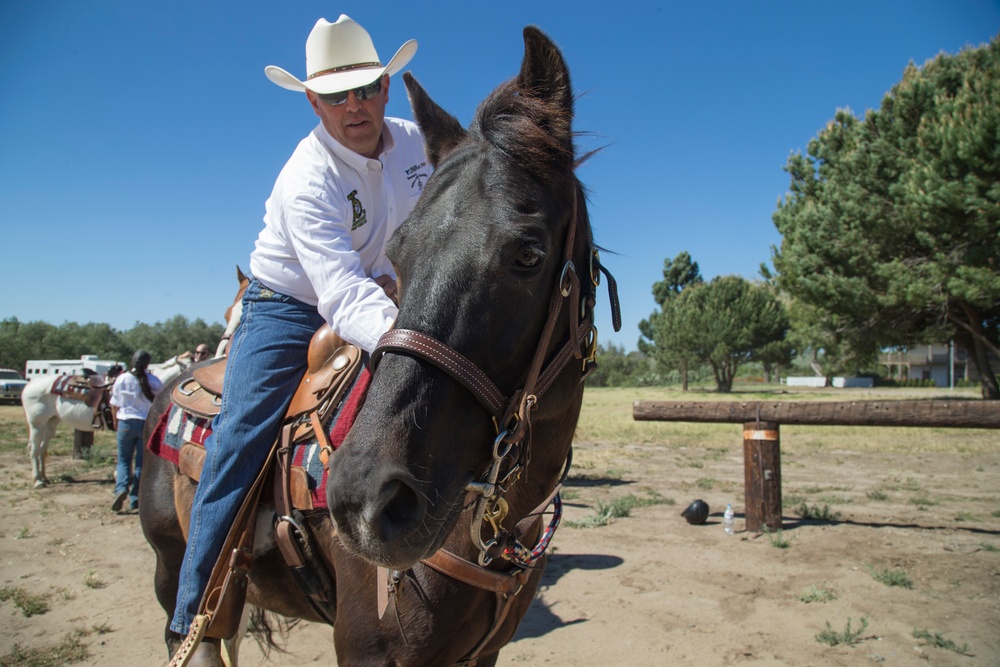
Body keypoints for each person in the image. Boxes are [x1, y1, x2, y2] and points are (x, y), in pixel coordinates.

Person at [168, 15, 431, 663]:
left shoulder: (419, 145)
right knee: (241, 437)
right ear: (312, 102)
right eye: (336, 95)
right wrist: (411, 344)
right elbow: (339, 294)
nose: (355, 106)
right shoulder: (305, 177)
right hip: (288, 303)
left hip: (390, 288)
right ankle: (194, 617)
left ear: (387, 86)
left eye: (366, 88)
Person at [110, 350, 163, 512]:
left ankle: (121, 489)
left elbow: (115, 404)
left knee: (123, 460)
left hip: (125, 423)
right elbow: (160, 405)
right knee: (142, 463)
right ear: (148, 363)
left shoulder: (122, 379)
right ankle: (135, 498)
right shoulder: (154, 381)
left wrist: (115, 422)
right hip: (145, 424)